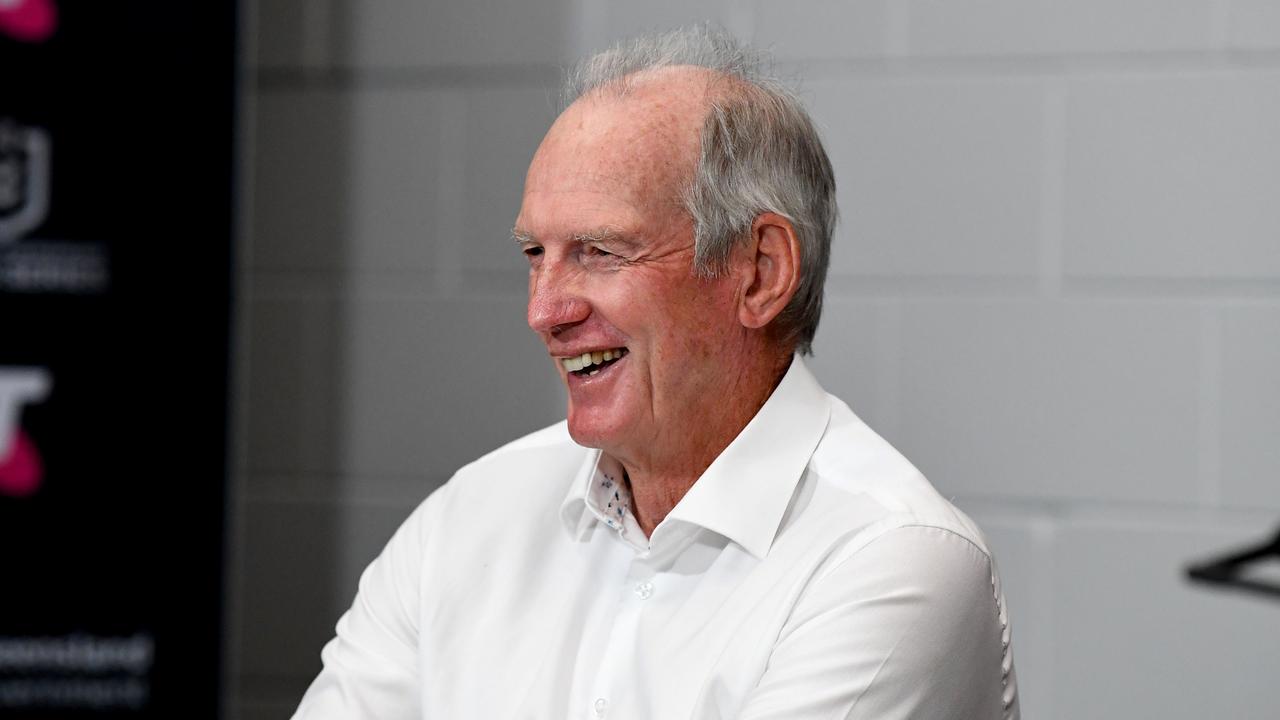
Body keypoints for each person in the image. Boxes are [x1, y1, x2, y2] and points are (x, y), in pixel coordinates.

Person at [293, 26, 1018, 720]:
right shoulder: (468, 519)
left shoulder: (892, 561)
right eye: (534, 255)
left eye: (600, 252)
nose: (544, 311)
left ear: (760, 273)